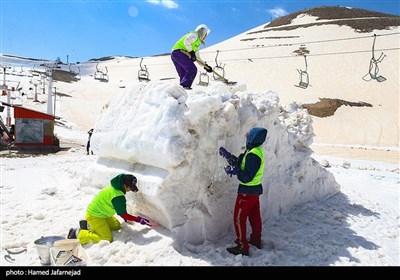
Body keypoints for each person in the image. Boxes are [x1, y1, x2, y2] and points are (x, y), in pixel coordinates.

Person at [67, 173, 152, 244]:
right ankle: (78, 234)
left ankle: (88, 225)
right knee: (106, 238)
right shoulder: (118, 196)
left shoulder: (116, 186)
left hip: (103, 213)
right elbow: (123, 214)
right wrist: (138, 219)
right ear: (125, 185)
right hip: (95, 215)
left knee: (116, 226)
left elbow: (121, 210)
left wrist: (125, 215)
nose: (130, 190)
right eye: (130, 187)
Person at [224, 127, 268, 256]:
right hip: (253, 191)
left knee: (238, 218)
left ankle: (242, 246)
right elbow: (244, 164)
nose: (246, 137)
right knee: (254, 217)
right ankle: (255, 240)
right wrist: (231, 158)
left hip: (247, 192)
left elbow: (247, 177)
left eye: (249, 136)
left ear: (253, 138)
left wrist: (235, 172)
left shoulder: (253, 154)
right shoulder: (254, 150)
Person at [171, 24, 213, 90]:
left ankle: (181, 91)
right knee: (192, 69)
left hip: (176, 54)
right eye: (205, 34)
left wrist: (205, 66)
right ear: (203, 32)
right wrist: (191, 52)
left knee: (184, 74)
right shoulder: (195, 35)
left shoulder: (196, 43)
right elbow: (186, 41)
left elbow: (197, 57)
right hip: (179, 52)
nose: (205, 36)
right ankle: (185, 87)